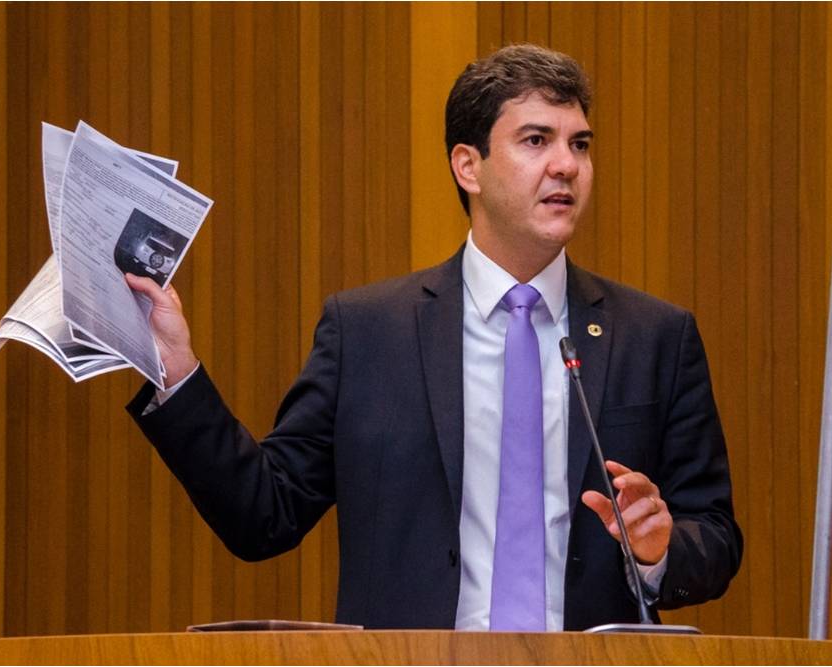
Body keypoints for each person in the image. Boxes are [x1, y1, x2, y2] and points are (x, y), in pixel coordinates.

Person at [126, 44, 742, 631]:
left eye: (579, 144)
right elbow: (264, 514)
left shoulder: (655, 337)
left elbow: (714, 535)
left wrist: (660, 550)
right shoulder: (368, 332)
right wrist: (176, 370)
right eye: (536, 140)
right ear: (468, 166)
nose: (567, 165)